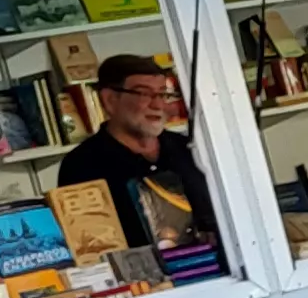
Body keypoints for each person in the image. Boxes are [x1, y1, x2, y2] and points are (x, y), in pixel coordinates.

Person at [57, 56, 217, 241]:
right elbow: (89, 244)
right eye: (144, 94)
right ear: (109, 100)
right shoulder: (81, 166)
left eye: (163, 93)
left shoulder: (190, 150)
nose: (157, 105)